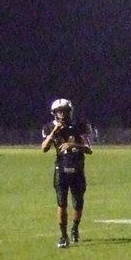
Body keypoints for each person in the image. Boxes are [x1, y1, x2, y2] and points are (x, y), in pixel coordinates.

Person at [40, 98, 93, 248]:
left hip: (77, 166)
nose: (62, 114)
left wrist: (73, 144)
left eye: (64, 111)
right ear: (54, 113)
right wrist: (55, 131)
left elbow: (89, 149)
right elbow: (44, 148)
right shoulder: (50, 127)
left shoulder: (79, 125)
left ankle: (75, 228)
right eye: (59, 111)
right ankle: (63, 236)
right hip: (61, 168)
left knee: (78, 202)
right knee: (61, 202)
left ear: (69, 112)